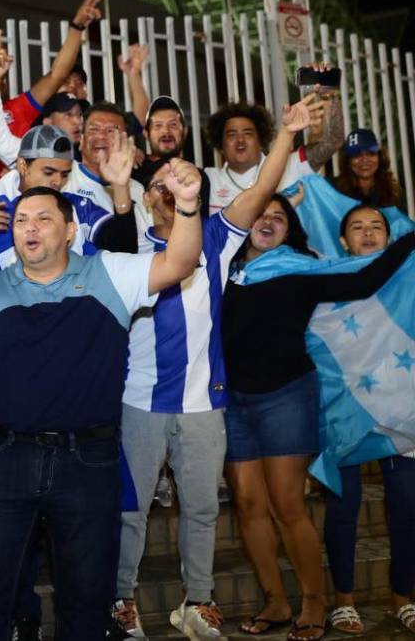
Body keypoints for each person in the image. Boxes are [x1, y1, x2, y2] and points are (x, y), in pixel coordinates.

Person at [0, 158, 205, 640]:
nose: (28, 229)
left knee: (85, 597)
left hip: (88, 460)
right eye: (20, 221)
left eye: (43, 219)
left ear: (71, 230)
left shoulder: (111, 272)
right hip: (9, 458)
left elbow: (178, 263)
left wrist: (187, 205)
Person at [112, 96, 313, 640]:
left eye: (182, 181)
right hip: (139, 401)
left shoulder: (217, 240)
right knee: (130, 511)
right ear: (151, 194)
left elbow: (261, 191)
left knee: (201, 509)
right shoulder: (125, 248)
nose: (170, 189)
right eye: (161, 184)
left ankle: (197, 603)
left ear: (194, 195)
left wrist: (287, 136)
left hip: (205, 403)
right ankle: (121, 603)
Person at [221, 196, 415, 639]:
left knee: (287, 505)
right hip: (232, 402)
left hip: (286, 397)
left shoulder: (302, 269)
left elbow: (367, 278)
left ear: (290, 230)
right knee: (249, 504)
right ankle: (275, 602)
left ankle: (314, 602)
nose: (268, 221)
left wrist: (409, 242)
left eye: (279, 217)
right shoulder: (221, 270)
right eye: (261, 214)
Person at [317, 205, 415, 635]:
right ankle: (343, 600)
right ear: (343, 240)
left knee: (407, 507)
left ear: (390, 236)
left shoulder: (407, 278)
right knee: (344, 507)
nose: (368, 233)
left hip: (403, 412)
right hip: (345, 412)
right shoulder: (324, 278)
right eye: (357, 227)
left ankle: (402, 597)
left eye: (377, 226)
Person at [0, 0, 104, 178]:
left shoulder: (85, 173)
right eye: (68, 114)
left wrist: (76, 27)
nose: (77, 121)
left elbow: (57, 75)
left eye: (79, 115)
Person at [0, 125, 132, 276]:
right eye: (49, 172)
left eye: (64, 174)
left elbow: (124, 253)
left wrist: (120, 188)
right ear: (23, 166)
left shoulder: (76, 207)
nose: (57, 181)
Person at [205, 84, 342, 216]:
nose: (240, 140)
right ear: (221, 144)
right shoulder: (207, 180)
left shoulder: (290, 165)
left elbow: (332, 142)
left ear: (261, 141)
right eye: (232, 134)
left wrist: (329, 94)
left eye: (248, 133)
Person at [333, 128, 403, 208]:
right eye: (357, 155)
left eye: (371, 153)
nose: (365, 160)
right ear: (348, 161)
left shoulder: (392, 190)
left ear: (380, 157)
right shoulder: (334, 191)